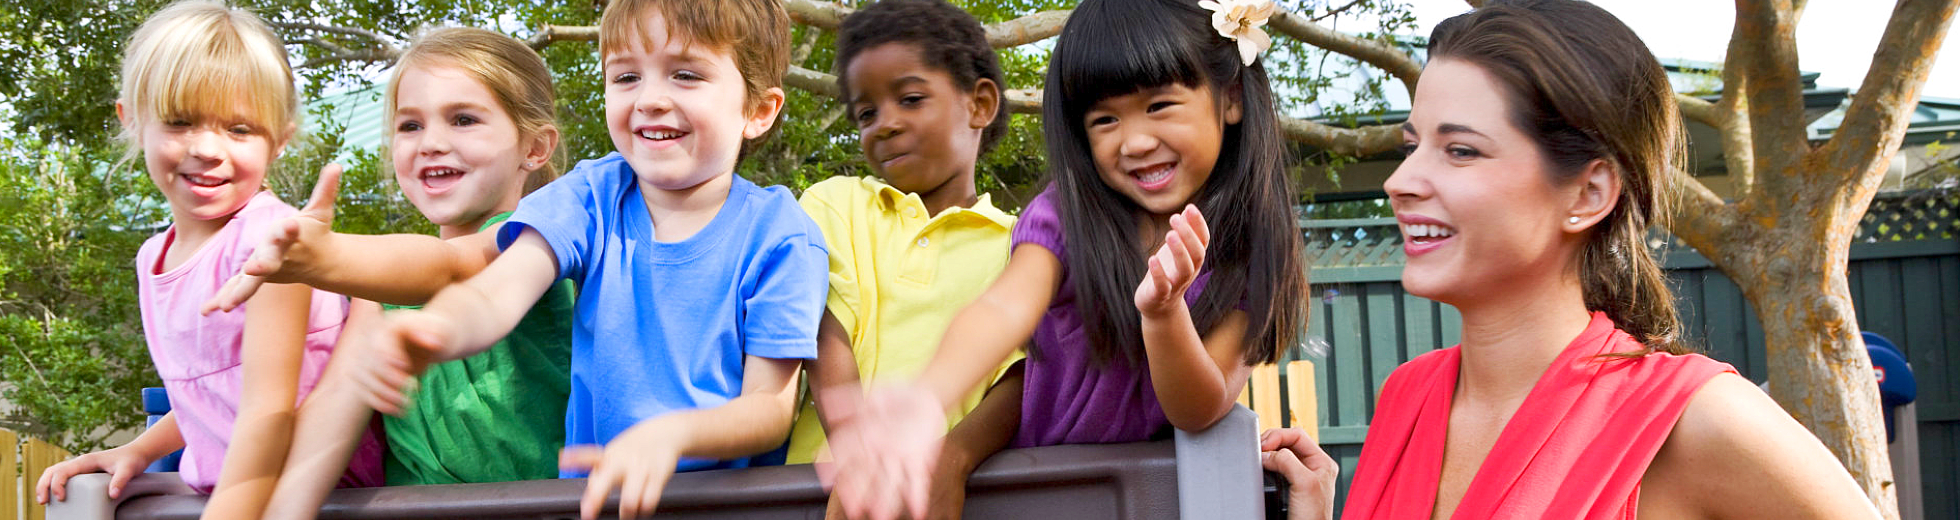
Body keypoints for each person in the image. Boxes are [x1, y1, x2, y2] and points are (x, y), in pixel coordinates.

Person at [1329, 1, 1882, 518]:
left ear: (1589, 194)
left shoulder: (1700, 419)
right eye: (1411, 147)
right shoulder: (1408, 397)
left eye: (1461, 151)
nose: (1399, 182)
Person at [341, 1, 827, 519]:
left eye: (685, 74)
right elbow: (499, 289)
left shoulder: (782, 234)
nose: (650, 99)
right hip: (593, 504)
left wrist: (671, 437)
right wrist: (440, 328)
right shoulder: (592, 196)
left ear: (759, 110)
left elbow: (768, 409)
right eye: (626, 77)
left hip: (724, 508)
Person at [821, 0, 1308, 517]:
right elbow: (1005, 309)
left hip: (1152, 497)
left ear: (1230, 97)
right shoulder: (1066, 216)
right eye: (1104, 120)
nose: (1135, 141)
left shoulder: (1253, 249)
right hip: (1033, 491)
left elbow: (1198, 407)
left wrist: (1164, 315)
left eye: (1159, 105)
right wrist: (922, 402)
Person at [192, 27, 575, 518]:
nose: (432, 142)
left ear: (535, 148)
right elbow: (337, 403)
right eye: (409, 126)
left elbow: (446, 267)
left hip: (538, 508)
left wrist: (328, 259)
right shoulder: (384, 291)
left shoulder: (538, 242)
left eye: (463, 119)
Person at [33, 2, 384, 518]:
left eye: (240, 130)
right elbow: (215, 390)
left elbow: (270, 412)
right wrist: (139, 449)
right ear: (132, 121)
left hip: (315, 495)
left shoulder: (272, 243)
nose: (207, 148)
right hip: (234, 489)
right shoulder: (153, 255)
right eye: (179, 122)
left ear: (279, 140)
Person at [785, 2, 1025, 516]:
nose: (884, 125)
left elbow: (1023, 378)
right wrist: (861, 454)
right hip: (824, 493)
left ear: (979, 104)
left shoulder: (1023, 246)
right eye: (866, 113)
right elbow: (823, 330)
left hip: (952, 499)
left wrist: (954, 458)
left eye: (910, 99)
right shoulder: (836, 203)